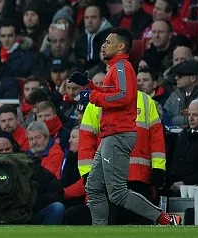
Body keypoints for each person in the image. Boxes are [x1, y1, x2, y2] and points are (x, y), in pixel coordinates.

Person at [68, 27, 179, 225]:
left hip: (118, 135)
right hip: (112, 135)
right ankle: (99, 230)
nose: (104, 45)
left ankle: (165, 218)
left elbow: (124, 96)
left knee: (117, 193)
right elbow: (112, 91)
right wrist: (89, 85)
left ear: (120, 46)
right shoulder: (116, 67)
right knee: (93, 186)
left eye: (109, 42)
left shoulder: (121, 66)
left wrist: (92, 96)